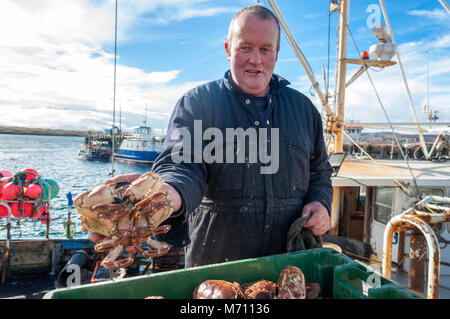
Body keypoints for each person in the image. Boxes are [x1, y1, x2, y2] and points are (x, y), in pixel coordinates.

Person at [89, 5, 333, 268]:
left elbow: (319, 170)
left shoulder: (304, 110)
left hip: (291, 263)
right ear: (228, 49)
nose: (256, 59)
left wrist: (321, 203)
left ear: (276, 53)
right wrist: (162, 196)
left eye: (265, 49)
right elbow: (181, 167)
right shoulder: (197, 104)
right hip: (215, 269)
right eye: (245, 47)